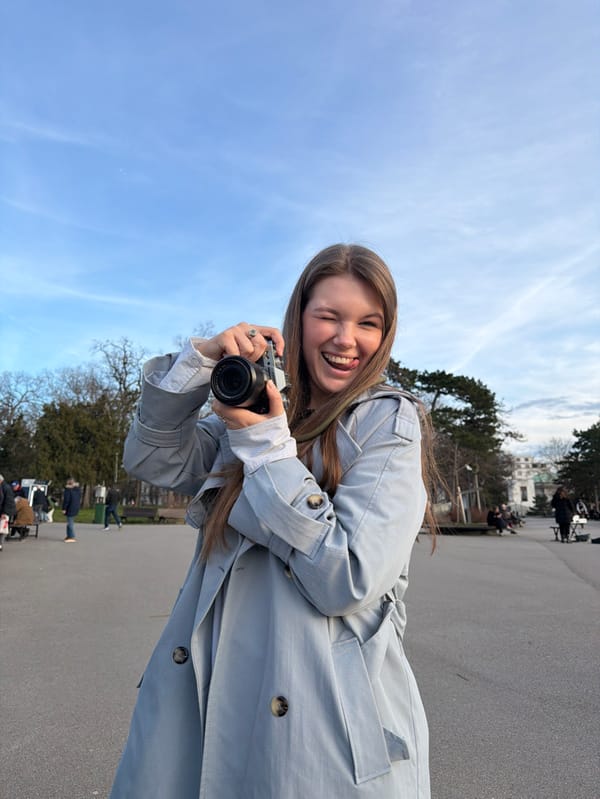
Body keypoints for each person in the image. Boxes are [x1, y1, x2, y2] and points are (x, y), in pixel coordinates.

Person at [110, 244, 438, 799]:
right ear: (298, 319)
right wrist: (200, 363)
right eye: (328, 316)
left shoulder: (387, 420)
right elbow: (151, 458)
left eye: (368, 323)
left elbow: (347, 576)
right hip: (208, 693)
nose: (346, 339)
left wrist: (267, 451)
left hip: (320, 724)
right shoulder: (259, 410)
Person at [0, 474, 17, 552]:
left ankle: (0, 544)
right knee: (2, 529)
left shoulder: (4, 487)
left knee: (2, 529)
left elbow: (7, 501)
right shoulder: (6, 487)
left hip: (4, 512)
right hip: (5, 511)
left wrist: (4, 512)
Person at [61, 478, 81, 542]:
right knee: (69, 522)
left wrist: (64, 508)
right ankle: (69, 535)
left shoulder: (68, 490)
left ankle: (72, 537)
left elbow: (66, 500)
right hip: (76, 507)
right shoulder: (77, 490)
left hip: (70, 507)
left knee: (70, 523)